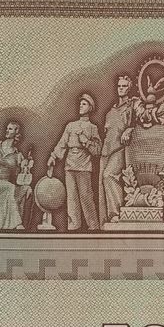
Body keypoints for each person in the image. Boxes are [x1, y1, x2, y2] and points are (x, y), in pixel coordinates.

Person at [48, 93, 102, 231]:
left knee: (86, 197)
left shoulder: (93, 127)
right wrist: (53, 156)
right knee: (71, 198)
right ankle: (73, 226)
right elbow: (62, 143)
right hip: (70, 165)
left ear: (90, 107)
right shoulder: (71, 126)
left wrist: (86, 141)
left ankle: (93, 226)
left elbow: (97, 150)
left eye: (84, 104)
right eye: (80, 103)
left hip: (84, 165)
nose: (80, 106)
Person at [99, 75, 135, 225]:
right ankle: (105, 221)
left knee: (109, 176)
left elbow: (139, 123)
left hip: (120, 149)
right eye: (119, 86)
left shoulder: (132, 106)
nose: (121, 88)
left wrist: (130, 129)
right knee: (102, 184)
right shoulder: (111, 111)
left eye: (124, 86)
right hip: (106, 150)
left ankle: (116, 213)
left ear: (129, 88)